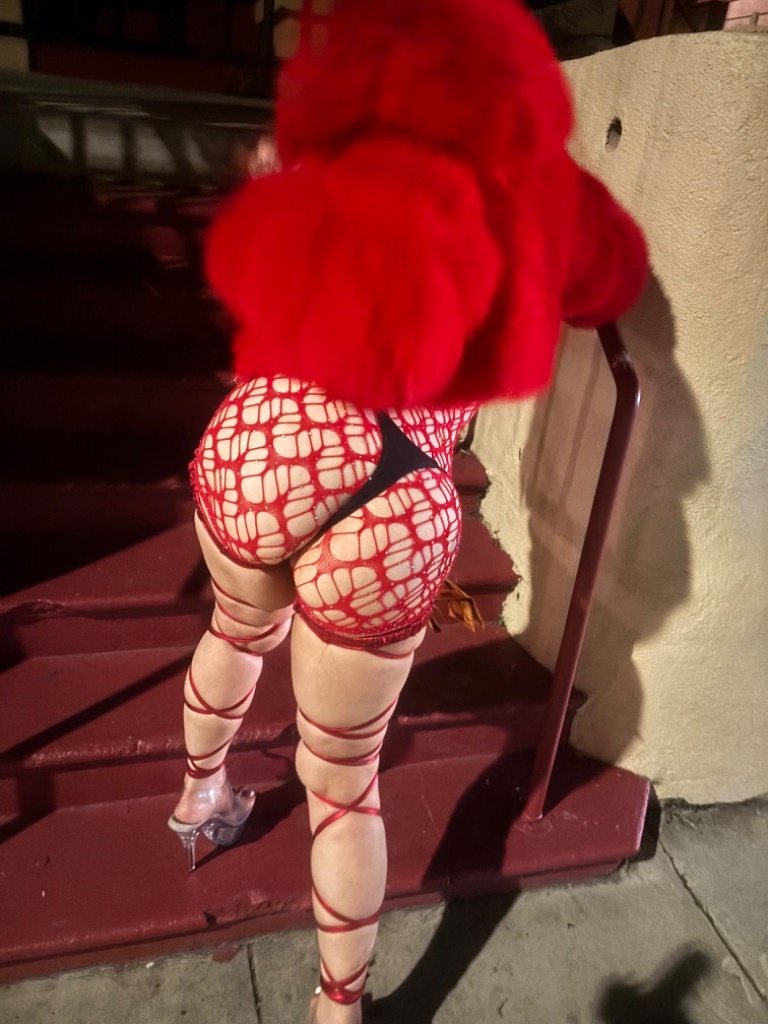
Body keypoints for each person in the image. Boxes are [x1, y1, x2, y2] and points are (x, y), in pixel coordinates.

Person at [167, 2, 649, 1022]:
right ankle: (337, 1007)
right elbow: (609, 279)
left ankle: (200, 798)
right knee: (345, 781)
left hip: (279, 427)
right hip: (401, 487)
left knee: (235, 627)